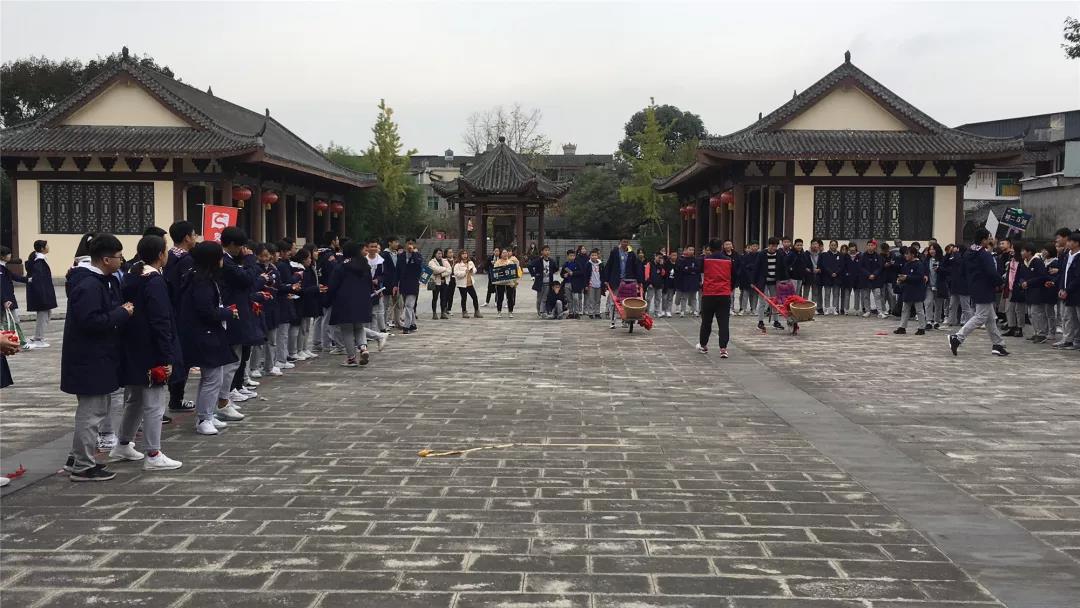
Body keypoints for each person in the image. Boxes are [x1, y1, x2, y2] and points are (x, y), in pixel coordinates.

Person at [61, 234, 133, 481]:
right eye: (119, 257)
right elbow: (91, 322)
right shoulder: (89, 285)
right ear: (105, 259)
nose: (121, 261)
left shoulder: (100, 281)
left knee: (94, 411)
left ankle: (76, 458)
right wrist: (121, 313)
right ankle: (83, 466)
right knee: (91, 414)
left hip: (97, 356)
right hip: (89, 358)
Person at [109, 234, 182, 470]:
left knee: (135, 400)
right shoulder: (154, 281)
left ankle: (123, 443)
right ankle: (153, 453)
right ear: (161, 254)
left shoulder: (131, 276)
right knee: (154, 403)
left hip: (132, 347)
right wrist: (167, 356)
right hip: (151, 349)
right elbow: (161, 320)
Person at [178, 241, 238, 436]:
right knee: (212, 378)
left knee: (213, 377)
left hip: (208, 333)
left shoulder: (202, 277)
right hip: (205, 334)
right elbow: (206, 311)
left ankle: (207, 414)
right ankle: (204, 418)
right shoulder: (201, 281)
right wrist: (227, 313)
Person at [949, 228, 1008, 356]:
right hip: (985, 288)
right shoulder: (984, 255)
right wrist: (1000, 282)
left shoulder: (968, 253)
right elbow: (991, 272)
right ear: (983, 240)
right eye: (989, 238)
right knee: (981, 316)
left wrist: (972, 282)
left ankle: (998, 344)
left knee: (990, 319)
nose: (990, 240)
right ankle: (958, 337)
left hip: (974, 287)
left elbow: (962, 271)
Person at [326, 241, 378, 366]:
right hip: (363, 300)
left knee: (347, 330)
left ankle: (351, 358)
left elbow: (333, 285)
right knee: (359, 327)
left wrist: (328, 299)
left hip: (344, 301)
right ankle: (363, 348)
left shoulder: (341, 266)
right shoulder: (364, 265)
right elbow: (369, 284)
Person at [696, 239, 734, 358]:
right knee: (723, 322)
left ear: (710, 248)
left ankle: (703, 345)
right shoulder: (728, 260)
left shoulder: (705, 260)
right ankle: (723, 349)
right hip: (724, 294)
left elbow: (697, 271)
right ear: (721, 247)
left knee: (706, 321)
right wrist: (730, 288)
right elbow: (734, 275)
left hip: (709, 294)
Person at [754, 237, 789, 332]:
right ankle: (760, 322)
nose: (774, 248)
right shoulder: (762, 254)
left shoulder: (779, 254)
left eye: (776, 246)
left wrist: (784, 280)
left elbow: (783, 268)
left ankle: (776, 321)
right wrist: (753, 282)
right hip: (763, 282)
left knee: (775, 302)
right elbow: (756, 268)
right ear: (769, 245)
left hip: (774, 282)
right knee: (762, 302)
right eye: (772, 246)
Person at [893, 246, 928, 335]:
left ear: (913, 254)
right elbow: (904, 275)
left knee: (919, 310)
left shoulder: (919, 264)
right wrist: (900, 280)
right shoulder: (907, 264)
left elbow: (919, 277)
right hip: (907, 290)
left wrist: (907, 277)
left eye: (907, 254)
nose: (905, 255)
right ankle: (902, 327)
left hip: (917, 290)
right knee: (905, 309)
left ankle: (921, 328)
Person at [1055, 231, 1080, 349]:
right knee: (1068, 317)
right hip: (1066, 292)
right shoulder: (1067, 255)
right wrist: (1061, 288)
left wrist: (1067, 290)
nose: (1068, 243)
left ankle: (1077, 341)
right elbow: (1062, 273)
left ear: (1077, 243)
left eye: (1070, 241)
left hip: (1076, 293)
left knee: (1078, 318)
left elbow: (1078, 277)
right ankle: (1068, 340)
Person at [397, 240, 424, 334]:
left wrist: (414, 253)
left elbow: (418, 264)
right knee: (408, 305)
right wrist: (395, 284)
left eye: (411, 244)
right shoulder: (401, 256)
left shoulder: (418, 255)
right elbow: (398, 271)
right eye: (408, 243)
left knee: (409, 305)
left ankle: (406, 326)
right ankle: (413, 324)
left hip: (413, 283)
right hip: (403, 284)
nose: (410, 246)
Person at [529, 245, 556, 318]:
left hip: (548, 282)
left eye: (548, 250)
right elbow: (530, 265)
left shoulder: (551, 261)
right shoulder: (538, 260)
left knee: (545, 298)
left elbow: (555, 268)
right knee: (539, 298)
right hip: (540, 282)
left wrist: (551, 273)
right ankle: (539, 311)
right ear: (542, 252)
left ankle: (543, 311)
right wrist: (534, 274)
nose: (547, 252)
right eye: (545, 250)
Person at [453, 250, 482, 318]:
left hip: (470, 283)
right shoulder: (458, 264)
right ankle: (464, 312)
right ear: (460, 255)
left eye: (465, 253)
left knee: (474, 297)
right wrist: (464, 272)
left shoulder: (470, 262)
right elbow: (456, 273)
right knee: (464, 298)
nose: (464, 255)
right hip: (462, 284)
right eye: (463, 254)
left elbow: (475, 269)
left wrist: (472, 270)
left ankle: (477, 311)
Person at [381, 236, 403, 329]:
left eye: (398, 242)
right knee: (385, 304)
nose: (397, 244)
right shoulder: (384, 255)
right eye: (395, 242)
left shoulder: (398, 255)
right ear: (389, 243)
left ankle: (398, 321)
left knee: (398, 303)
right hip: (387, 282)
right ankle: (383, 324)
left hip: (396, 282)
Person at [675, 246, 702, 317]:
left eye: (693, 250)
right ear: (686, 250)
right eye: (690, 250)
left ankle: (694, 310)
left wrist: (689, 269)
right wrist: (691, 269)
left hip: (694, 280)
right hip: (685, 280)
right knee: (684, 297)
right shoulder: (682, 260)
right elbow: (682, 269)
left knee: (693, 297)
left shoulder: (696, 260)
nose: (691, 251)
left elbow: (698, 269)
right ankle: (682, 311)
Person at [492, 249, 519, 318]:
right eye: (503, 253)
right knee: (500, 298)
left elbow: (514, 272)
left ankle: (510, 312)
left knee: (510, 298)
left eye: (506, 252)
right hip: (500, 283)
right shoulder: (497, 262)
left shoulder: (511, 262)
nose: (505, 254)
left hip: (509, 283)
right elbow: (495, 272)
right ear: (501, 254)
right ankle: (499, 312)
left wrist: (515, 282)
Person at [561, 249, 586, 319]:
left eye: (573, 256)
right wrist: (564, 275)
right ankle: (571, 313)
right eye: (570, 256)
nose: (572, 257)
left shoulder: (577, 263)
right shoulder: (565, 264)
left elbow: (581, 272)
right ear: (567, 256)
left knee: (576, 298)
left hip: (575, 284)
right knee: (569, 299)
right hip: (567, 283)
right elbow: (561, 274)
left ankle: (577, 312)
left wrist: (573, 273)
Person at [428, 248, 452, 320]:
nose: (440, 255)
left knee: (443, 298)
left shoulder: (445, 261)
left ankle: (443, 313)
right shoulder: (431, 262)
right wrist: (444, 268)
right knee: (435, 297)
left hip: (444, 281)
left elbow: (450, 270)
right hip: (434, 282)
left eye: (441, 253)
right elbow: (434, 270)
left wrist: (441, 274)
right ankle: (434, 313)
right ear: (435, 254)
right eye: (438, 253)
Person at [819, 240, 842, 315]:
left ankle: (835, 309)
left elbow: (842, 266)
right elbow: (824, 265)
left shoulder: (840, 255)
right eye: (832, 245)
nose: (833, 246)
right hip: (827, 277)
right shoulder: (825, 255)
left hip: (837, 277)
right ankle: (827, 308)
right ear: (829, 246)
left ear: (837, 246)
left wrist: (836, 273)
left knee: (836, 294)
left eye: (835, 245)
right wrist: (831, 273)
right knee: (827, 294)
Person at [645, 252, 668, 317]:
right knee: (649, 299)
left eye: (661, 258)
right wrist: (649, 283)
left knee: (658, 299)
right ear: (655, 256)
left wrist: (662, 266)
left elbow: (663, 274)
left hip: (659, 284)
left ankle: (656, 312)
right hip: (651, 285)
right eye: (659, 257)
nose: (659, 259)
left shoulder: (660, 265)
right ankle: (647, 312)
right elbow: (647, 274)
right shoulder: (649, 264)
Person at [584, 249, 605, 319]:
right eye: (592, 255)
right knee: (591, 299)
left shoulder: (601, 264)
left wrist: (603, 284)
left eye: (595, 255)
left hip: (599, 284)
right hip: (591, 284)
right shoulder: (588, 264)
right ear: (590, 256)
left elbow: (603, 275)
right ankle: (591, 312)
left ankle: (597, 313)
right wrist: (586, 285)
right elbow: (585, 275)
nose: (594, 256)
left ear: (597, 256)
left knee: (598, 300)